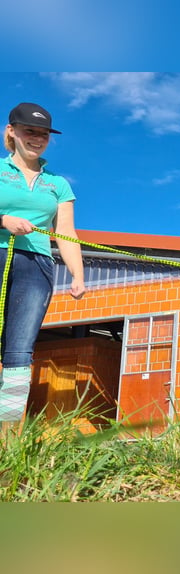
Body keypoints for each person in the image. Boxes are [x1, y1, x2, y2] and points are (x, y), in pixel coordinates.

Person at [0, 102, 86, 422]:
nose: (37, 138)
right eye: (29, 131)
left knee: (19, 349)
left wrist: (77, 275)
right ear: (12, 131)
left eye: (43, 134)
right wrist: (3, 219)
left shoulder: (58, 184)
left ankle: (9, 437)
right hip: (1, 250)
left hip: (36, 265)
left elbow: (65, 232)